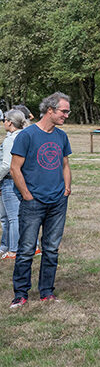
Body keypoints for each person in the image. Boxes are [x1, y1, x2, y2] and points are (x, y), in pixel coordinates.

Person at [9, 92, 73, 308]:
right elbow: (14, 168)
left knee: (52, 248)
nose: (67, 114)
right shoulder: (26, 136)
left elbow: (64, 164)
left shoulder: (62, 136)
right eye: (64, 111)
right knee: (26, 249)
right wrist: (27, 195)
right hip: (33, 202)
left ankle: (46, 291)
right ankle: (21, 294)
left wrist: (66, 188)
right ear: (50, 110)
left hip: (57, 202)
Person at [0, 109, 30, 260]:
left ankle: (14, 250)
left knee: (13, 218)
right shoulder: (23, 136)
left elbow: (6, 165)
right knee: (7, 217)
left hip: (9, 181)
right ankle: (5, 246)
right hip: (18, 179)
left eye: (4, 120)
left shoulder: (11, 140)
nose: (3, 122)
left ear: (10, 122)